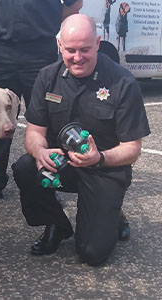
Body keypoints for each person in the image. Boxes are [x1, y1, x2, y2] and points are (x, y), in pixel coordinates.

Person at [12, 14, 150, 266]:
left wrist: (99, 158)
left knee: (91, 253)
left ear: (97, 43)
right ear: (60, 46)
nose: (77, 57)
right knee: (24, 167)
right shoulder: (47, 77)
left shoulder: (122, 82)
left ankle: (113, 213)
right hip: (62, 162)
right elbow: (33, 133)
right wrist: (40, 151)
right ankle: (56, 224)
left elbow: (132, 149)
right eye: (71, 50)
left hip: (104, 168)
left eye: (85, 49)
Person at [0, 0, 83, 206]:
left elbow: (75, 4)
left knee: (47, 118)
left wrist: (44, 22)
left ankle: (49, 178)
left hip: (40, 50)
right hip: (1, 49)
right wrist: (1, 20)